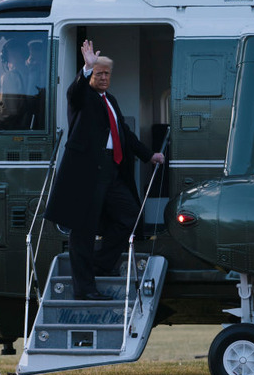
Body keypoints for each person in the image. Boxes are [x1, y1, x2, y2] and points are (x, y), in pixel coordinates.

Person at [43, 40, 165, 300]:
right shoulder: (82, 97)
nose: (103, 77)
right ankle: (84, 289)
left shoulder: (110, 99)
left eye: (106, 73)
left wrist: (149, 155)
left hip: (112, 170)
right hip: (86, 173)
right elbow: (74, 93)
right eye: (98, 73)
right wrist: (85, 69)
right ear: (90, 76)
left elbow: (124, 133)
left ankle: (99, 264)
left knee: (130, 217)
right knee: (83, 230)